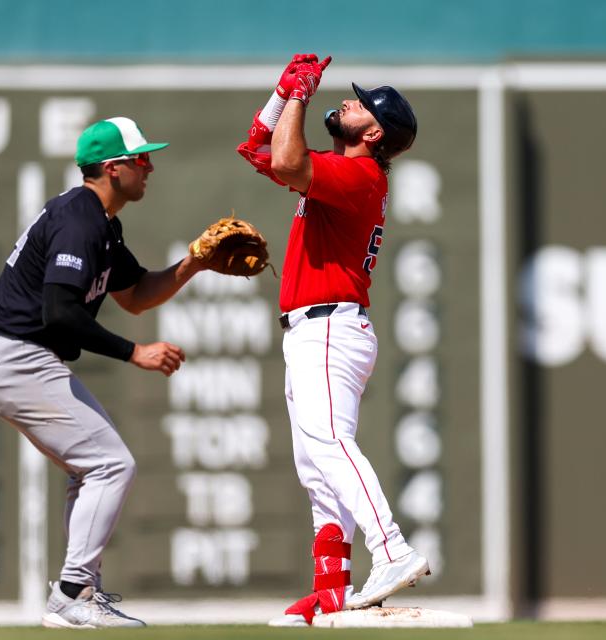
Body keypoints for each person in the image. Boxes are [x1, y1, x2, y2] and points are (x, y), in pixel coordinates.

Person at [0, 116, 207, 629]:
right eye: (142, 159)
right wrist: (133, 353)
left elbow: (137, 295)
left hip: (18, 357)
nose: (150, 167)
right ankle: (72, 593)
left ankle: (79, 590)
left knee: (94, 466)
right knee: (112, 465)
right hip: (15, 355)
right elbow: (61, 313)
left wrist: (194, 263)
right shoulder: (80, 217)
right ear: (114, 169)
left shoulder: (101, 223)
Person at [237, 54, 430, 626]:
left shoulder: (359, 175)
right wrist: (282, 93)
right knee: (316, 465)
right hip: (315, 330)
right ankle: (333, 591)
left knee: (329, 445)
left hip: (328, 326)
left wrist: (298, 97)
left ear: (373, 134)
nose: (348, 101)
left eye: (361, 104)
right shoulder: (341, 172)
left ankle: (391, 547)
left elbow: (288, 157)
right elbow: (260, 150)